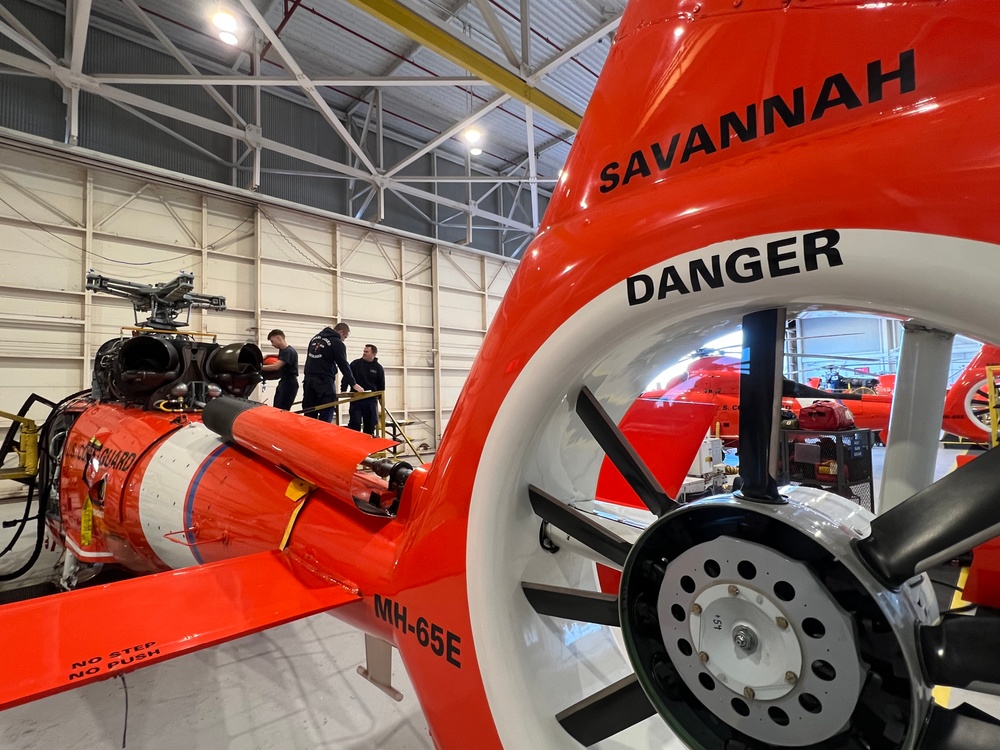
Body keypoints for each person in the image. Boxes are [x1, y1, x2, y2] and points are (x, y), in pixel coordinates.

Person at [302, 322, 362, 422]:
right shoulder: (337, 343)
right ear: (341, 332)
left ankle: (308, 436)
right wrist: (353, 383)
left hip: (309, 381)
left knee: (309, 412)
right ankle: (323, 436)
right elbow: (343, 364)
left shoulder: (314, 339)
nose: (343, 340)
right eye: (345, 337)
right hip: (324, 382)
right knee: (327, 410)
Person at [346, 344, 385, 435]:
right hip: (356, 399)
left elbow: (381, 385)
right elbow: (347, 377)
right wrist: (343, 389)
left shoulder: (378, 368)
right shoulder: (355, 364)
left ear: (373, 354)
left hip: (370, 400)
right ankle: (355, 445)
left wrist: (380, 399)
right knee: (355, 423)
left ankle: (368, 446)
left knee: (370, 424)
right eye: (364, 351)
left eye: (366, 352)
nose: (364, 353)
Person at [262, 329, 299, 410]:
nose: (272, 344)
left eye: (272, 341)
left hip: (289, 384)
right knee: (277, 407)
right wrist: (269, 355)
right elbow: (281, 356)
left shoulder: (288, 351)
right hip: (284, 382)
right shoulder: (284, 350)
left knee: (282, 410)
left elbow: (276, 366)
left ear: (279, 338)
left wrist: (259, 368)